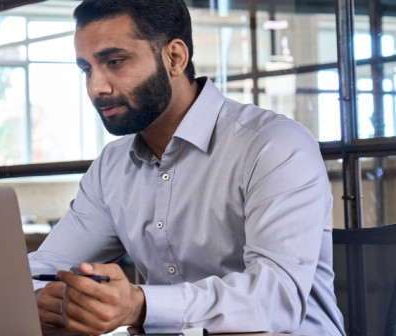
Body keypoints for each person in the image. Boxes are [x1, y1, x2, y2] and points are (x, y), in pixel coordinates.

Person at [28, 1, 346, 335]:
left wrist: (141, 305)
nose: (97, 88)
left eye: (115, 62)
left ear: (175, 58)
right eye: (87, 69)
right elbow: (44, 266)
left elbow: (275, 300)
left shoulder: (273, 145)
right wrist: (40, 296)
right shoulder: (112, 167)